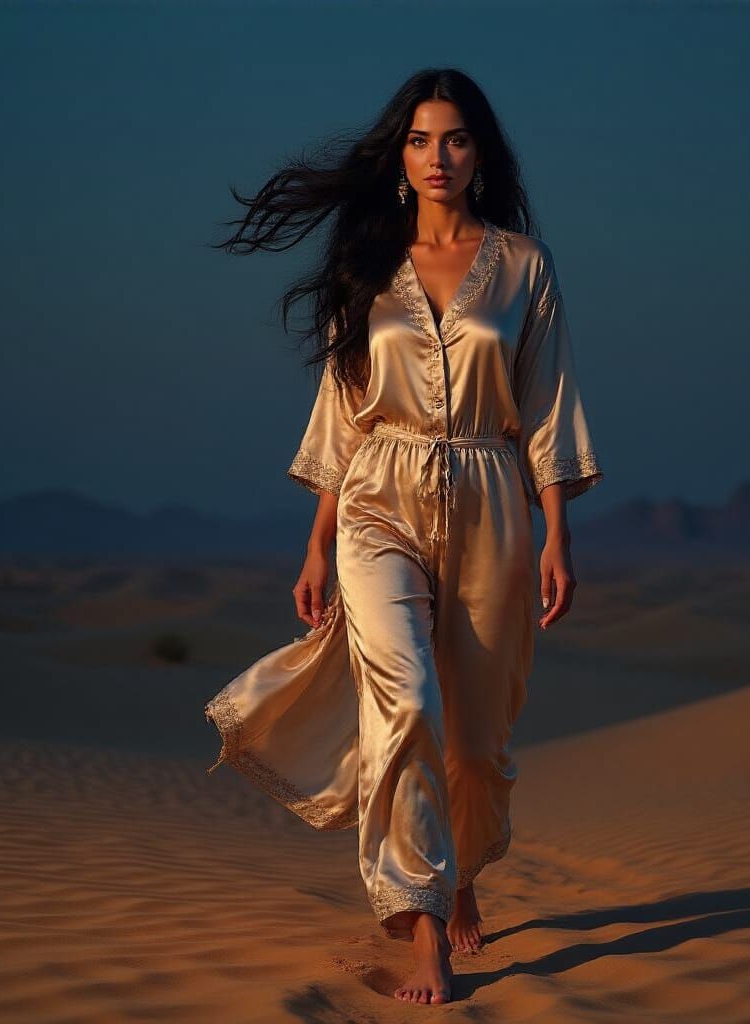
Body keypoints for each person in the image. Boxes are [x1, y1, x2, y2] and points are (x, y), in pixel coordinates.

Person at [204, 67, 603, 1006]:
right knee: (409, 699)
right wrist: (316, 543)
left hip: (491, 495)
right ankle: (425, 928)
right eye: (421, 140)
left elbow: (547, 406)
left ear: (480, 155)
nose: (437, 157)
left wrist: (558, 536)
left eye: (456, 139)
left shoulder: (523, 266)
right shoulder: (367, 267)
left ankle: (458, 873)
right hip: (379, 495)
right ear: (399, 158)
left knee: (474, 731)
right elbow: (343, 416)